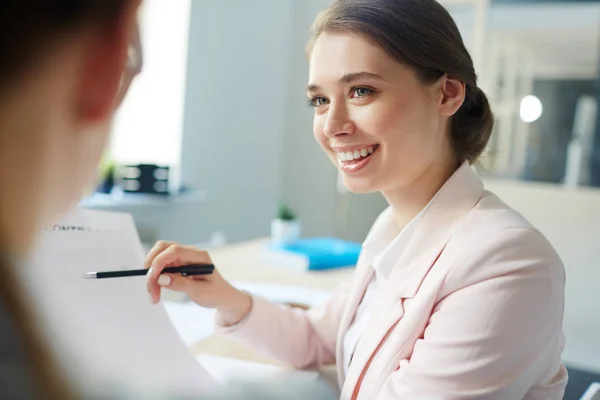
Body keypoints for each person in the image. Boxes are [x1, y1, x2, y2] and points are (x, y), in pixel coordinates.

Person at [146, 0, 568, 399]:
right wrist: (221, 293)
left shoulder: (507, 262)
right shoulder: (393, 229)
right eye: (320, 100)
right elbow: (318, 339)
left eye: (362, 91)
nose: (332, 126)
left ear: (447, 94)